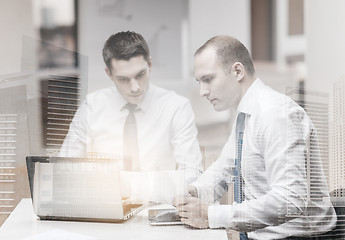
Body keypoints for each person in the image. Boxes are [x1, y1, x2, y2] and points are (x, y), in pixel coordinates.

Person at [174, 36, 336, 239]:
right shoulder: (246, 114)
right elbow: (225, 169)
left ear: (237, 71)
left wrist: (210, 215)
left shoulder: (275, 115)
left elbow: (290, 201)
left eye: (208, 79)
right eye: (199, 82)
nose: (202, 92)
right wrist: (193, 192)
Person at [58, 31, 202, 184]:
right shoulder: (91, 107)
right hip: (105, 201)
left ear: (150, 65)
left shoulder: (176, 107)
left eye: (140, 74)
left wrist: (169, 192)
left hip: (160, 202)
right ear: (109, 74)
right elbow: (65, 167)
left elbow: (191, 171)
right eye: (123, 79)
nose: (135, 88)